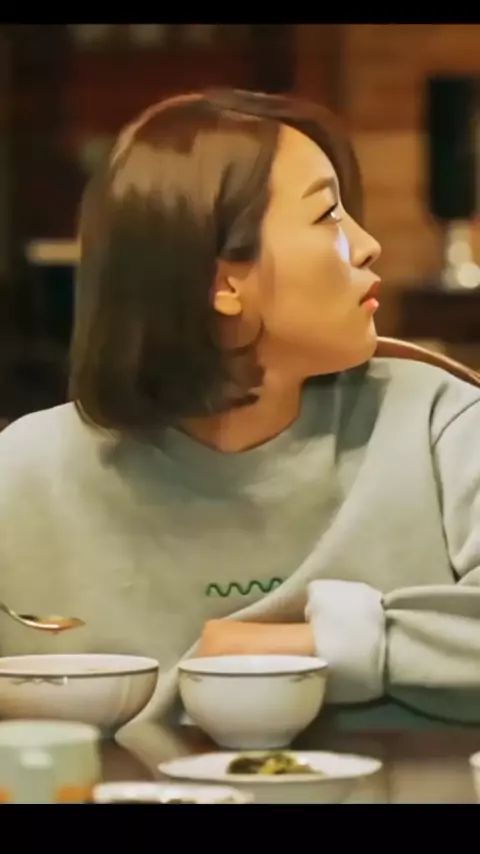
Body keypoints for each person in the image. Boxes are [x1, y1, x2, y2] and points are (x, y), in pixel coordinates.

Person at [1, 88, 480, 734]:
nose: (368, 245)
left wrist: (317, 643)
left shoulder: (441, 423)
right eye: (328, 215)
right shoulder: (27, 473)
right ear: (222, 282)